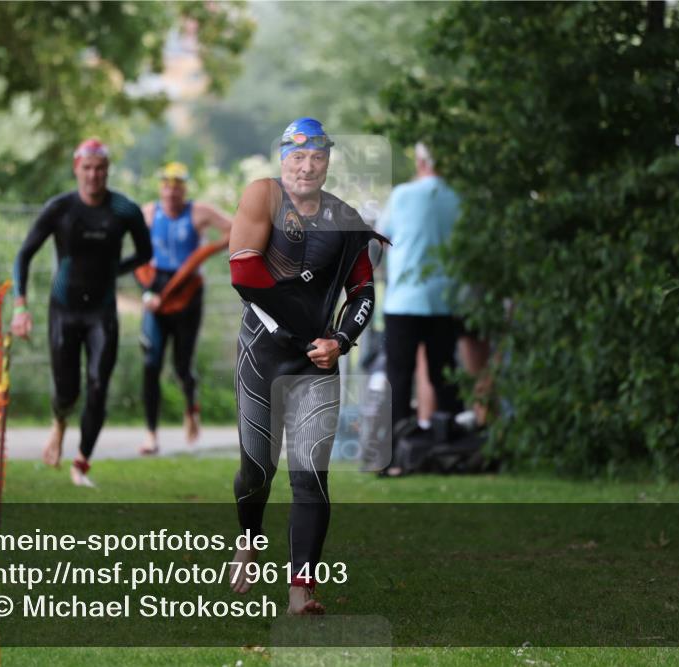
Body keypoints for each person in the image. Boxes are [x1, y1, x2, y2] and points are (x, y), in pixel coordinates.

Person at [227, 117, 387, 614]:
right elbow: (244, 273)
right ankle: (250, 539)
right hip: (263, 354)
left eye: (317, 157)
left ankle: (301, 589)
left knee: (310, 475)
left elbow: (362, 290)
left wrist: (341, 340)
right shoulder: (263, 197)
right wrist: (300, 333)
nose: (307, 166)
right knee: (257, 470)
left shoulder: (344, 219)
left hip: (318, 360)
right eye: (297, 156)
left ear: (328, 161)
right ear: (283, 159)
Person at [11, 139, 152, 487]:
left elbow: (144, 254)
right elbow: (23, 255)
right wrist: (20, 307)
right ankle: (59, 422)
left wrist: (111, 272)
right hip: (64, 311)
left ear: (107, 171)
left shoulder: (125, 210)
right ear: (76, 168)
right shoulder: (60, 209)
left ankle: (82, 462)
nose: (93, 175)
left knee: (99, 385)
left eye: (100, 169)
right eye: (87, 168)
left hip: (101, 313)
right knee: (67, 390)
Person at [136, 162, 232, 455]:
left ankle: (191, 408)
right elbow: (131, 249)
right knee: (151, 364)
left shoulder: (199, 212)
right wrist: (146, 291)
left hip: (188, 294)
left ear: (184, 190)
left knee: (181, 365)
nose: (171, 193)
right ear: (160, 189)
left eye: (176, 187)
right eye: (166, 186)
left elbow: (235, 228)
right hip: (158, 294)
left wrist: (207, 251)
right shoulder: (149, 213)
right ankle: (151, 434)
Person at [379, 142, 470, 437]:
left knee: (399, 376)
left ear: (420, 162)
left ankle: (396, 448)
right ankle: (449, 441)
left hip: (404, 299)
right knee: (443, 375)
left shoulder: (403, 195)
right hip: (445, 299)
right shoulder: (459, 197)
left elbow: (381, 237)